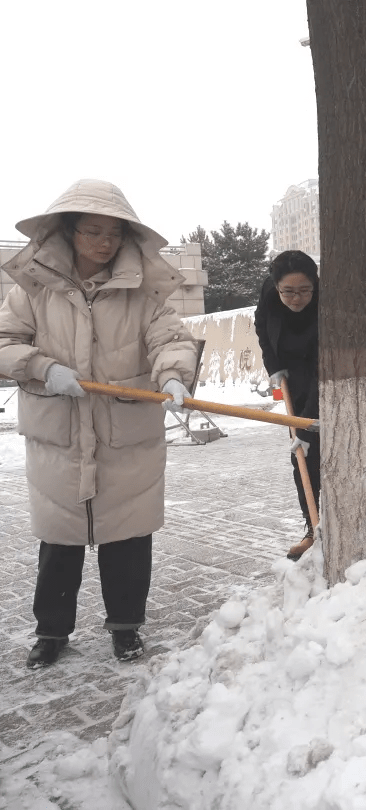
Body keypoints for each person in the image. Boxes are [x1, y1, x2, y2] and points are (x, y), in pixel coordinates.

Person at [0, 179, 198, 669]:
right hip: (59, 435)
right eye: (93, 231)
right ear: (69, 233)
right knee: (60, 542)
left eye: (113, 233)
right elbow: (3, 344)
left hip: (125, 435)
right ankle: (51, 632)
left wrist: (173, 377)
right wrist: (43, 368)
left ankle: (126, 629)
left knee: (128, 540)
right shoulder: (33, 290)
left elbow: (169, 338)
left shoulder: (143, 291)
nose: (105, 243)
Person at [254, 250, 320, 560]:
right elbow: (263, 333)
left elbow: (325, 370)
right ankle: (313, 528)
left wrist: (306, 427)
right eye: (289, 292)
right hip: (291, 377)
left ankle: (333, 522)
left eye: (305, 290)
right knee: (301, 458)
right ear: (276, 286)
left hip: (324, 374)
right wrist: (274, 368)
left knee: (313, 444)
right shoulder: (269, 295)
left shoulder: (326, 304)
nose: (296, 298)